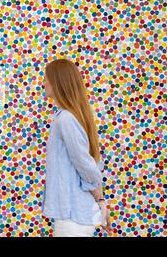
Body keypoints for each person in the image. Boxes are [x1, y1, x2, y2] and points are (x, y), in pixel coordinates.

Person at [42, 58, 113, 237]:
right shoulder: (67, 117)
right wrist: (101, 201)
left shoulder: (65, 119)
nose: (43, 83)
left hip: (72, 217)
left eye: (46, 78)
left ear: (57, 82)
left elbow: (86, 165)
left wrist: (100, 200)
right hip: (75, 215)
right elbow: (90, 163)